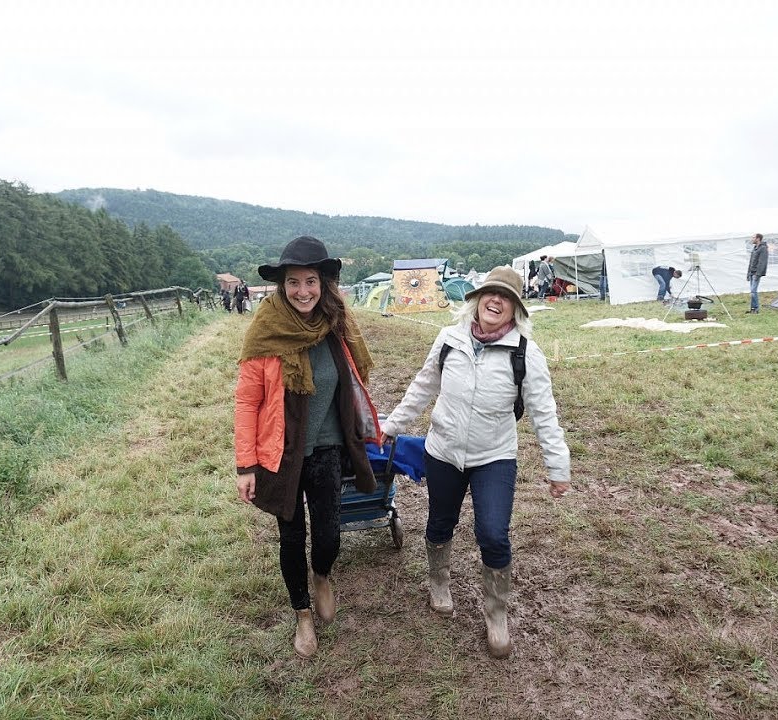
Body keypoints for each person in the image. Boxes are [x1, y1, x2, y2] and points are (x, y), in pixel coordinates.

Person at [379, 265, 571, 659]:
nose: (496, 301)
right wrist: (392, 426)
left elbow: (543, 412)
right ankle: (439, 582)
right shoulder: (449, 339)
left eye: (507, 297)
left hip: (494, 456)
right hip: (444, 451)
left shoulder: (525, 354)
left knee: (494, 533)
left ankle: (496, 613)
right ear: (477, 299)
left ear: (515, 309)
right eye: (491, 293)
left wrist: (558, 467)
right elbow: (423, 386)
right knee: (439, 523)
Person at [233, 235, 381, 659]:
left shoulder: (336, 325)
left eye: (311, 281)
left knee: (330, 533)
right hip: (280, 452)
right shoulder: (266, 331)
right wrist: (246, 464)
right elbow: (247, 400)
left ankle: (322, 576)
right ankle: (301, 615)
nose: (303, 291)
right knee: (291, 537)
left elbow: (354, 380)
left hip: (330, 448)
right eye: (294, 282)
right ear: (282, 284)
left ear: (323, 284)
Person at [747, 233, 769, 314]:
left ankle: (756, 308)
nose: (752, 239)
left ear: (758, 238)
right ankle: (753, 309)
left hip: (756, 273)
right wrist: (748, 273)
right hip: (752, 273)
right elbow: (751, 262)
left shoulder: (763, 248)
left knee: (753, 291)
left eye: (753, 237)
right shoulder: (755, 248)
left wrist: (758, 274)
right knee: (752, 291)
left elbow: (762, 262)